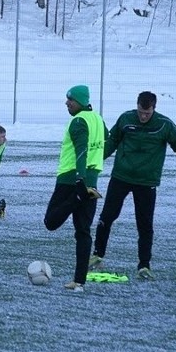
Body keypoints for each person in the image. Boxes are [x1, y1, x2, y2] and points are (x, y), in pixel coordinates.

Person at [88, 91, 176, 280]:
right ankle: (97, 256)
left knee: (144, 224)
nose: (143, 116)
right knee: (107, 216)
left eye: (147, 113)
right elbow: (112, 142)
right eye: (140, 112)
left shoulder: (164, 124)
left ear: (154, 108)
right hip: (121, 176)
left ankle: (144, 266)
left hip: (146, 182)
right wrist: (94, 163)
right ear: (136, 106)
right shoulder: (126, 119)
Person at [43, 85, 108, 293]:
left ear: (80, 101)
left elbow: (81, 151)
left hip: (71, 180)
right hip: (92, 181)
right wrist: (92, 173)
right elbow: (106, 141)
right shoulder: (97, 119)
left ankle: (77, 199)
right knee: (83, 232)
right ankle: (79, 281)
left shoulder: (78, 121)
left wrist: (80, 179)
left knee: (51, 222)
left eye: (70, 99)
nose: (66, 103)